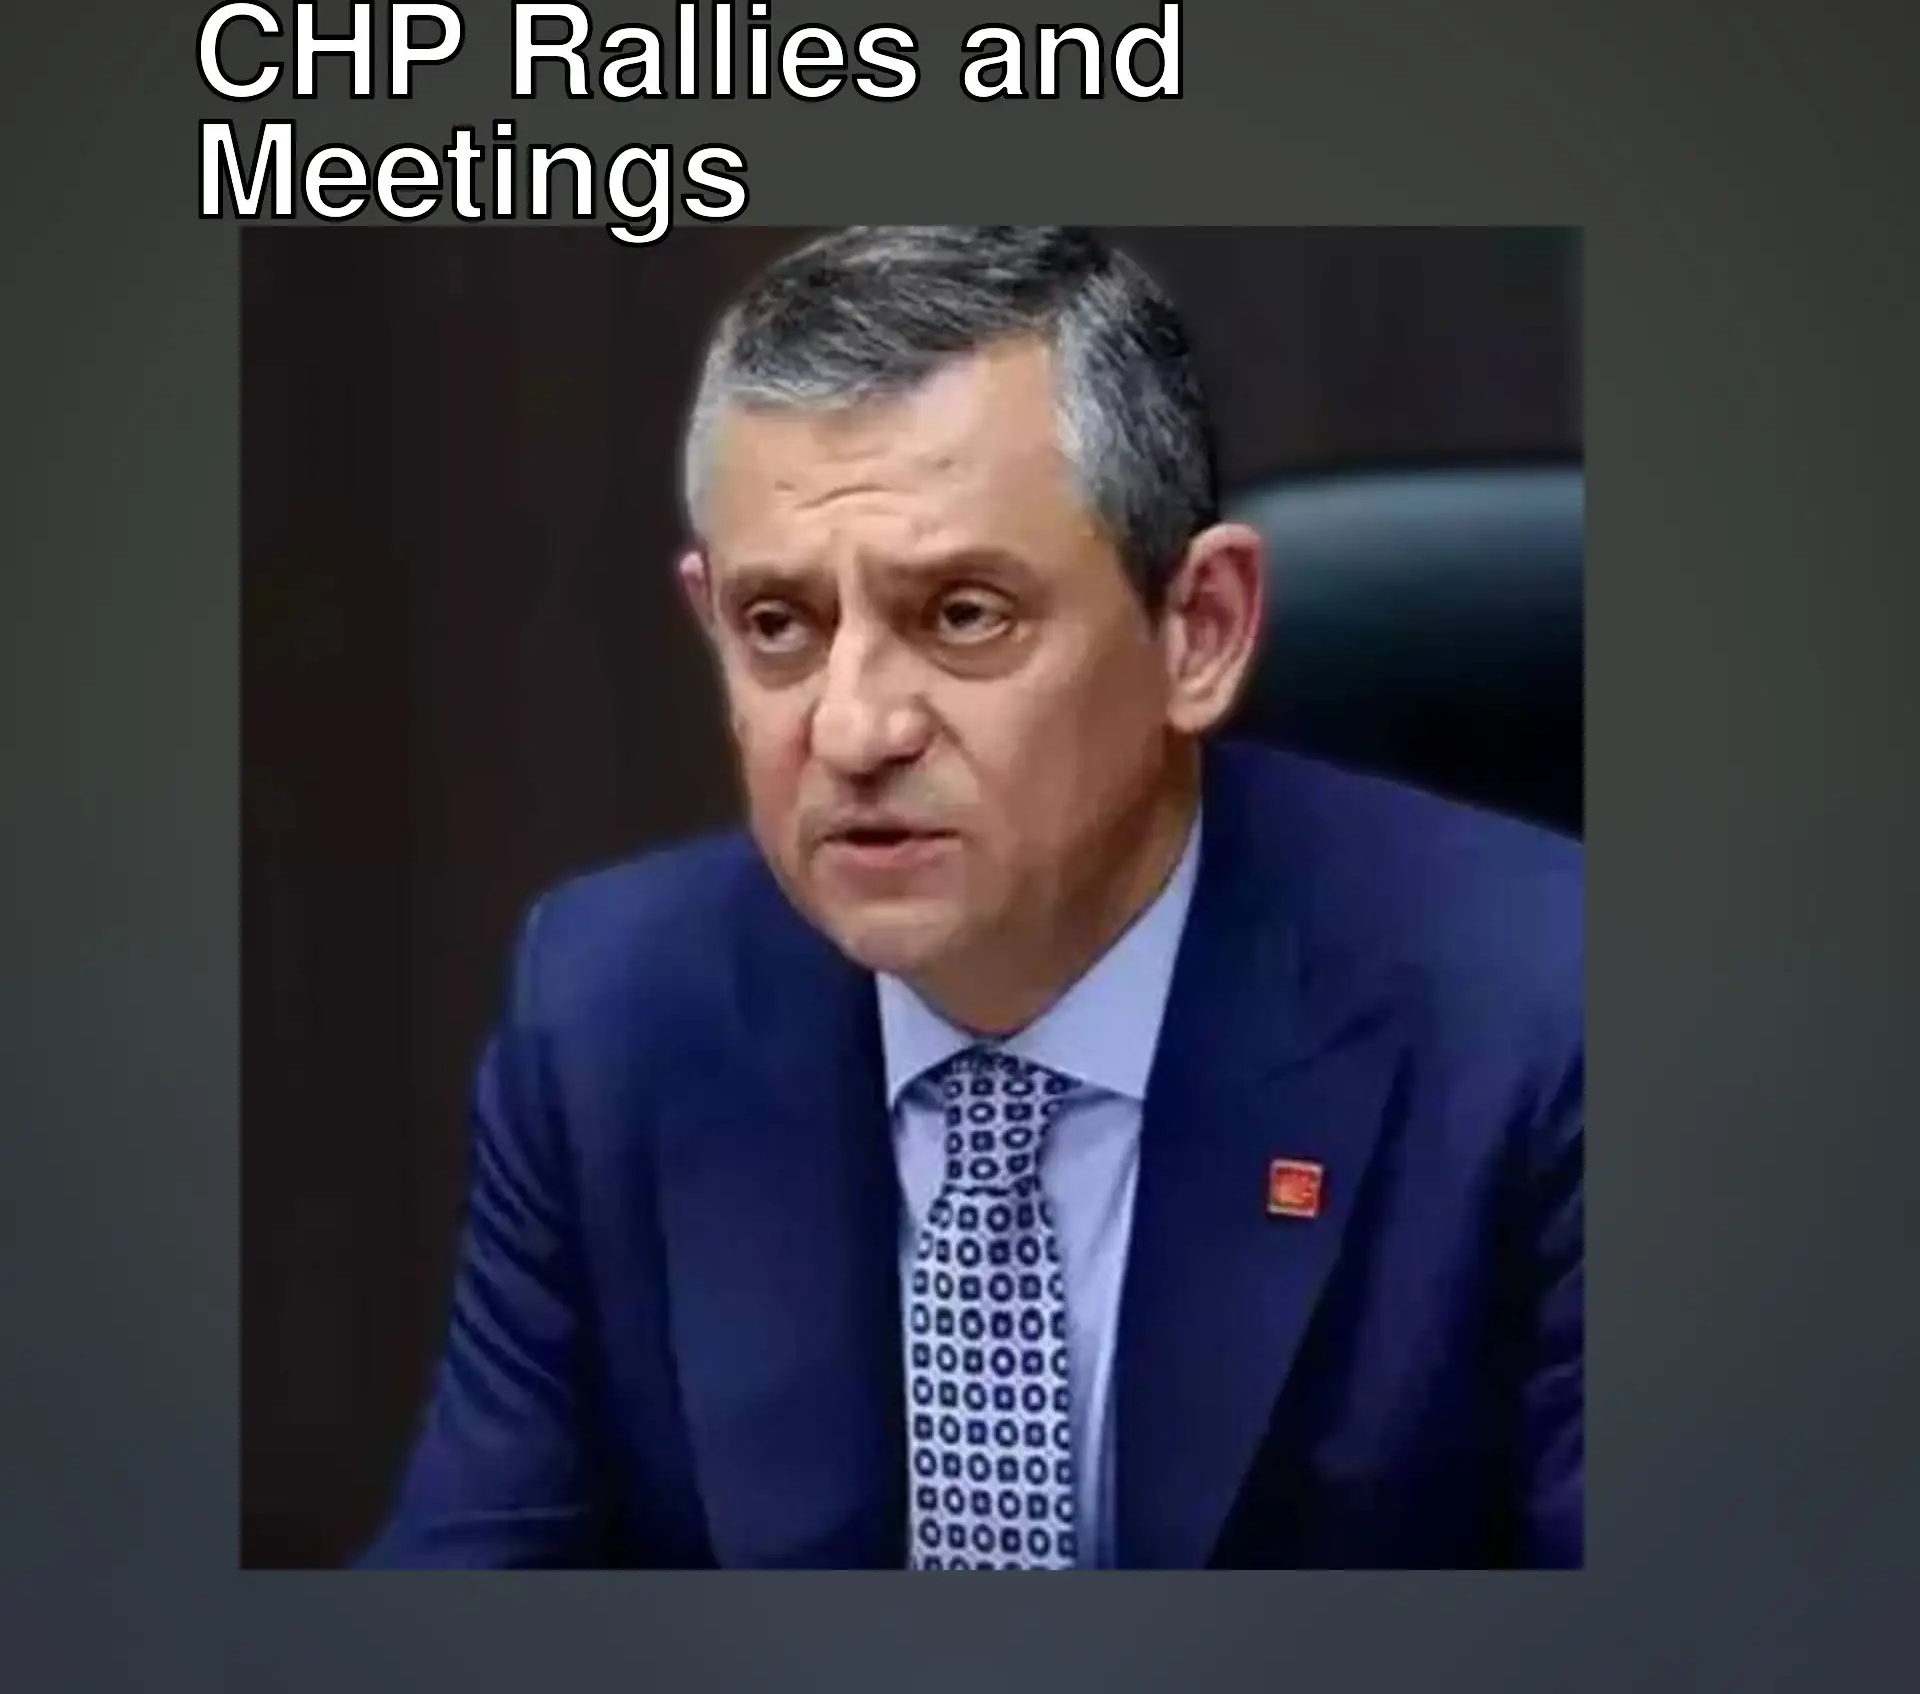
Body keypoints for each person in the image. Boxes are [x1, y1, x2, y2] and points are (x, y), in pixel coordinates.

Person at [361, 226, 1583, 1570]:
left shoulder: (1544, 1012)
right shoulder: (613, 1014)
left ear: (1201, 630)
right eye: (781, 626)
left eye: (962, 616)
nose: (855, 728)